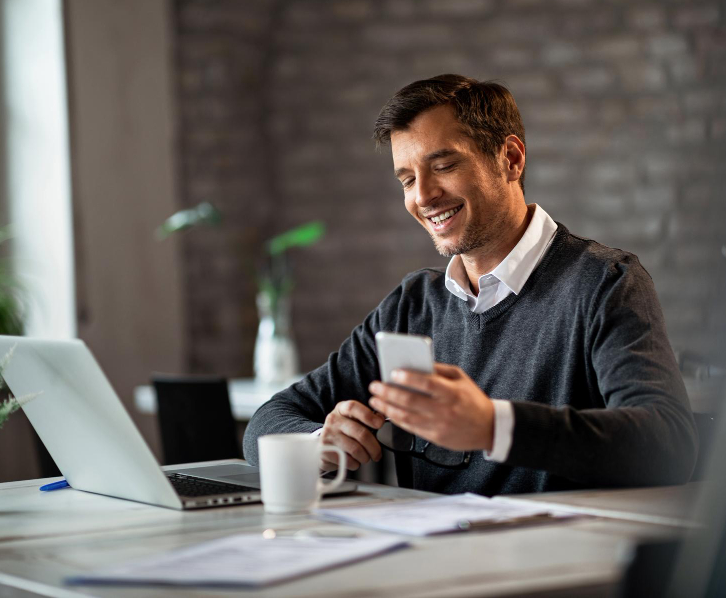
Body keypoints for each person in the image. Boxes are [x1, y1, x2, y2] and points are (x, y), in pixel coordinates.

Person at [243, 74, 697, 495]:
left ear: (511, 159)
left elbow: (668, 447)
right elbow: (267, 422)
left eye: (443, 166)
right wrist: (319, 440)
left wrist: (493, 426)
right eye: (407, 179)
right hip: (430, 567)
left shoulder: (605, 284)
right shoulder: (412, 306)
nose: (422, 196)